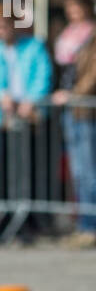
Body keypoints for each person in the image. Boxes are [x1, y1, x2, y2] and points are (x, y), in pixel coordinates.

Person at [52, 0, 96, 248]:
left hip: (87, 107)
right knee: (77, 170)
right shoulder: (67, 33)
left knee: (89, 170)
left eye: (77, 7)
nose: (73, 12)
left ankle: (92, 227)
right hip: (69, 107)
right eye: (70, 8)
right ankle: (83, 225)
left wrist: (75, 95)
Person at [0, 14, 53, 242]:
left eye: (3, 25)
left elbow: (43, 75)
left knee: (30, 168)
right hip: (5, 117)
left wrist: (31, 99)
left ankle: (31, 221)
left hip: (30, 116)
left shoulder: (33, 46)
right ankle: (8, 216)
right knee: (6, 171)